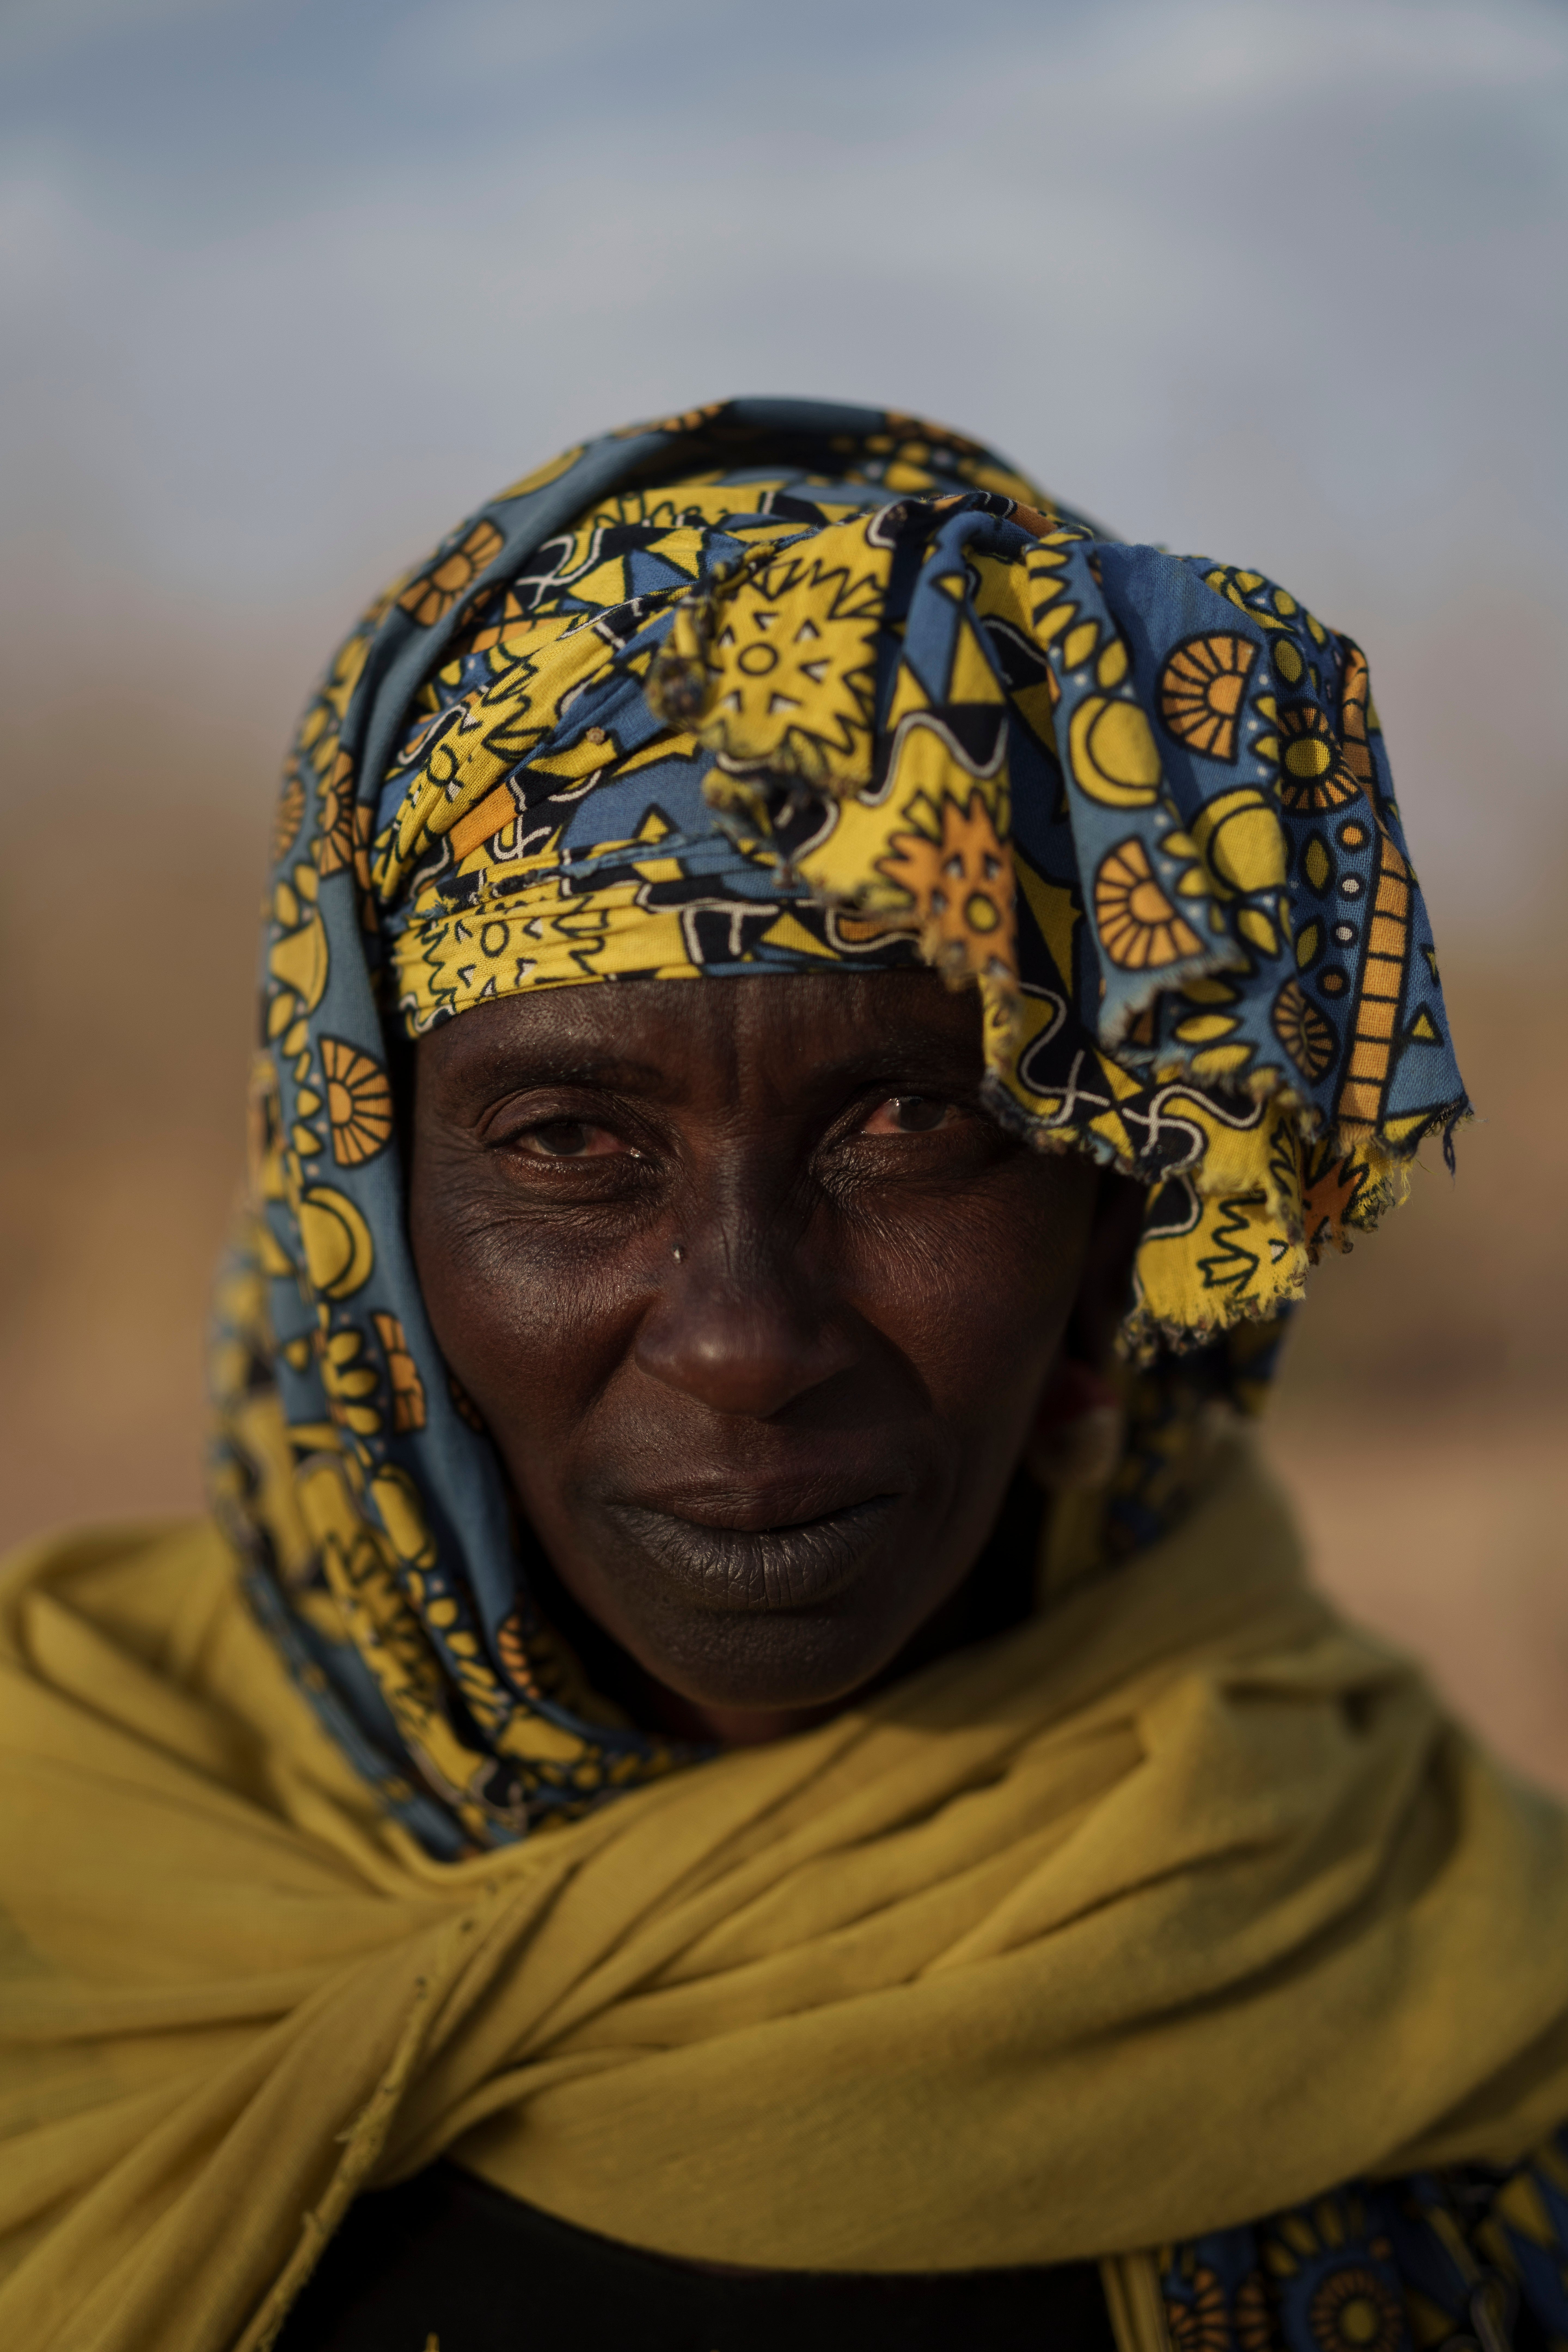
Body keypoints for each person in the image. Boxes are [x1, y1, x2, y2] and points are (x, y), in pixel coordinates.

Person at [3, 400, 1567, 2352]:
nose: (746, 1339)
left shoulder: (1441, 1988)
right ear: (367, 1233)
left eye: (911, 1118)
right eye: (572, 1142)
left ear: (1108, 1223)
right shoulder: (47, 1891)